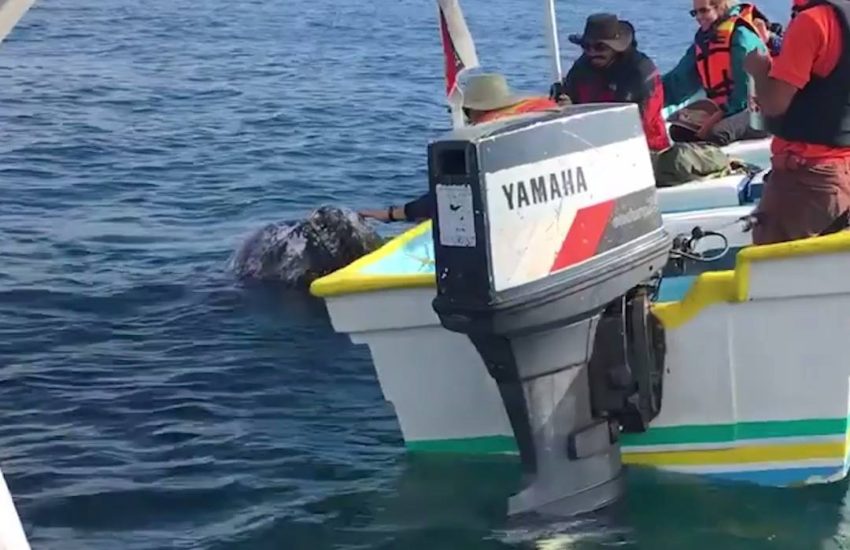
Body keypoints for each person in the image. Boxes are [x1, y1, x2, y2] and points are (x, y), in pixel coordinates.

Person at [359, 73, 558, 223]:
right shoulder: (530, 127)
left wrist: (390, 214)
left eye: (464, 111)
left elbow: (447, 196)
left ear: (473, 111)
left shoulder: (477, 144)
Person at [743, 0, 850, 245]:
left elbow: (774, 104)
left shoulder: (811, 21)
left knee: (774, 269)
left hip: (807, 177)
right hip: (842, 170)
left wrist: (760, 70)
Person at [550, 13, 671, 152]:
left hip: (645, 150)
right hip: (590, 146)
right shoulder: (583, 66)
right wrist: (565, 105)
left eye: (600, 47)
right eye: (586, 46)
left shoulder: (640, 73)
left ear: (616, 48)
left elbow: (637, 126)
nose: (592, 52)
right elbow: (570, 97)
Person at [663, 0, 773, 145]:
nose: (698, 17)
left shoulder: (741, 37)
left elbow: (745, 93)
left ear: (720, 7)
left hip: (761, 111)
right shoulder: (704, 42)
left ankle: (723, 165)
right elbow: (679, 81)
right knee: (679, 131)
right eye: (694, 13)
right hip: (728, 109)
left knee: (716, 133)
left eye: (703, 11)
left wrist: (716, 118)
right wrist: (650, 94)